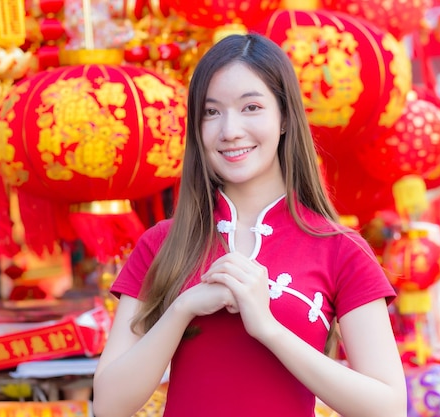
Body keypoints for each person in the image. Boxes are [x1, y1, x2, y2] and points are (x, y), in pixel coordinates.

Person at [92, 33, 407, 417]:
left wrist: (268, 328)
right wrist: (182, 309)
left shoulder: (340, 249)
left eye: (251, 107)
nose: (229, 130)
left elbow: (387, 408)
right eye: (211, 112)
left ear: (285, 117)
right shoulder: (161, 244)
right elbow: (108, 406)